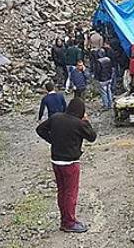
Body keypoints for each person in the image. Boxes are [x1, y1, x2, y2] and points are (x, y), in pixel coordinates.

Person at [36, 98, 97, 233]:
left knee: (62, 191)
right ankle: (69, 222)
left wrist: (53, 141)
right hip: (70, 163)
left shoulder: (56, 117)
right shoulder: (79, 124)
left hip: (56, 161)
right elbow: (92, 137)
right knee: (71, 193)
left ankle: (64, 219)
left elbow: (40, 129)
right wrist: (86, 121)